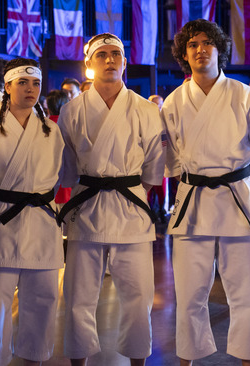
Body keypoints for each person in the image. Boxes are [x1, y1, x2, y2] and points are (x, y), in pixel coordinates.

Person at [162, 19, 250, 365]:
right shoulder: (174, 102)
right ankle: (188, 358)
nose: (200, 49)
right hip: (194, 201)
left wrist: (237, 178)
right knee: (191, 291)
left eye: (207, 42)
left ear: (220, 50)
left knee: (247, 290)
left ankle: (248, 359)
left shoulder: (245, 95)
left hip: (238, 198)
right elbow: (171, 161)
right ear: (184, 53)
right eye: (192, 44)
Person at [57, 33, 164, 366]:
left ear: (124, 62)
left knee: (138, 296)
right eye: (101, 55)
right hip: (86, 207)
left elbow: (154, 164)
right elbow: (67, 165)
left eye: (115, 54)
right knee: (78, 297)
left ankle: (137, 361)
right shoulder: (72, 110)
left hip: (130, 207)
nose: (109, 60)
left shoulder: (145, 109)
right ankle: (78, 360)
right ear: (88, 64)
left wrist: (134, 189)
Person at [0, 58, 64, 366]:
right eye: (23, 83)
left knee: (42, 302)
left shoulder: (51, 130)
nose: (30, 89)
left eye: (36, 83)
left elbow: (61, 177)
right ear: (8, 86)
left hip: (42, 221)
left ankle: (33, 361)